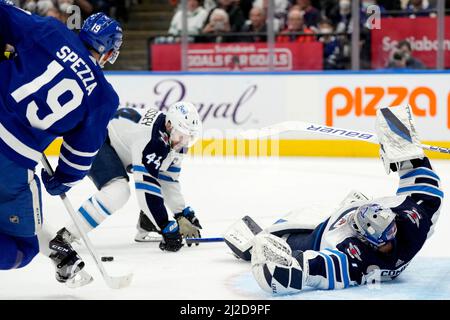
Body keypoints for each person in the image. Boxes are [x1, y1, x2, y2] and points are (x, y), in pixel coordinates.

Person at [224, 104, 443, 294]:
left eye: (389, 234)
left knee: (279, 237)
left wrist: (288, 270)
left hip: (322, 237)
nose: (390, 241)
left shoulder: (356, 260)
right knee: (355, 200)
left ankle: (249, 244)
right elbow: (428, 195)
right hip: (348, 212)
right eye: (389, 233)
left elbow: (317, 268)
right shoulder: (412, 227)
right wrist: (408, 154)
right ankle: (350, 205)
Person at [0, 2, 123, 284]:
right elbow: (80, 156)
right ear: (108, 52)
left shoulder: (51, 30)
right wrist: (62, 180)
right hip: (10, 157)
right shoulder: (103, 96)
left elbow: (4, 12)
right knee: (24, 247)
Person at [53, 101, 203, 254]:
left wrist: (181, 213)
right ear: (170, 125)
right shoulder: (151, 142)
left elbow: (168, 179)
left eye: (189, 138)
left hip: (106, 136)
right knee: (118, 191)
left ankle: (148, 223)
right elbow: (146, 189)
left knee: (150, 181)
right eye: (181, 136)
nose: (183, 142)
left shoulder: (171, 138)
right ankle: (65, 236)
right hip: (93, 137)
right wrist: (164, 225)